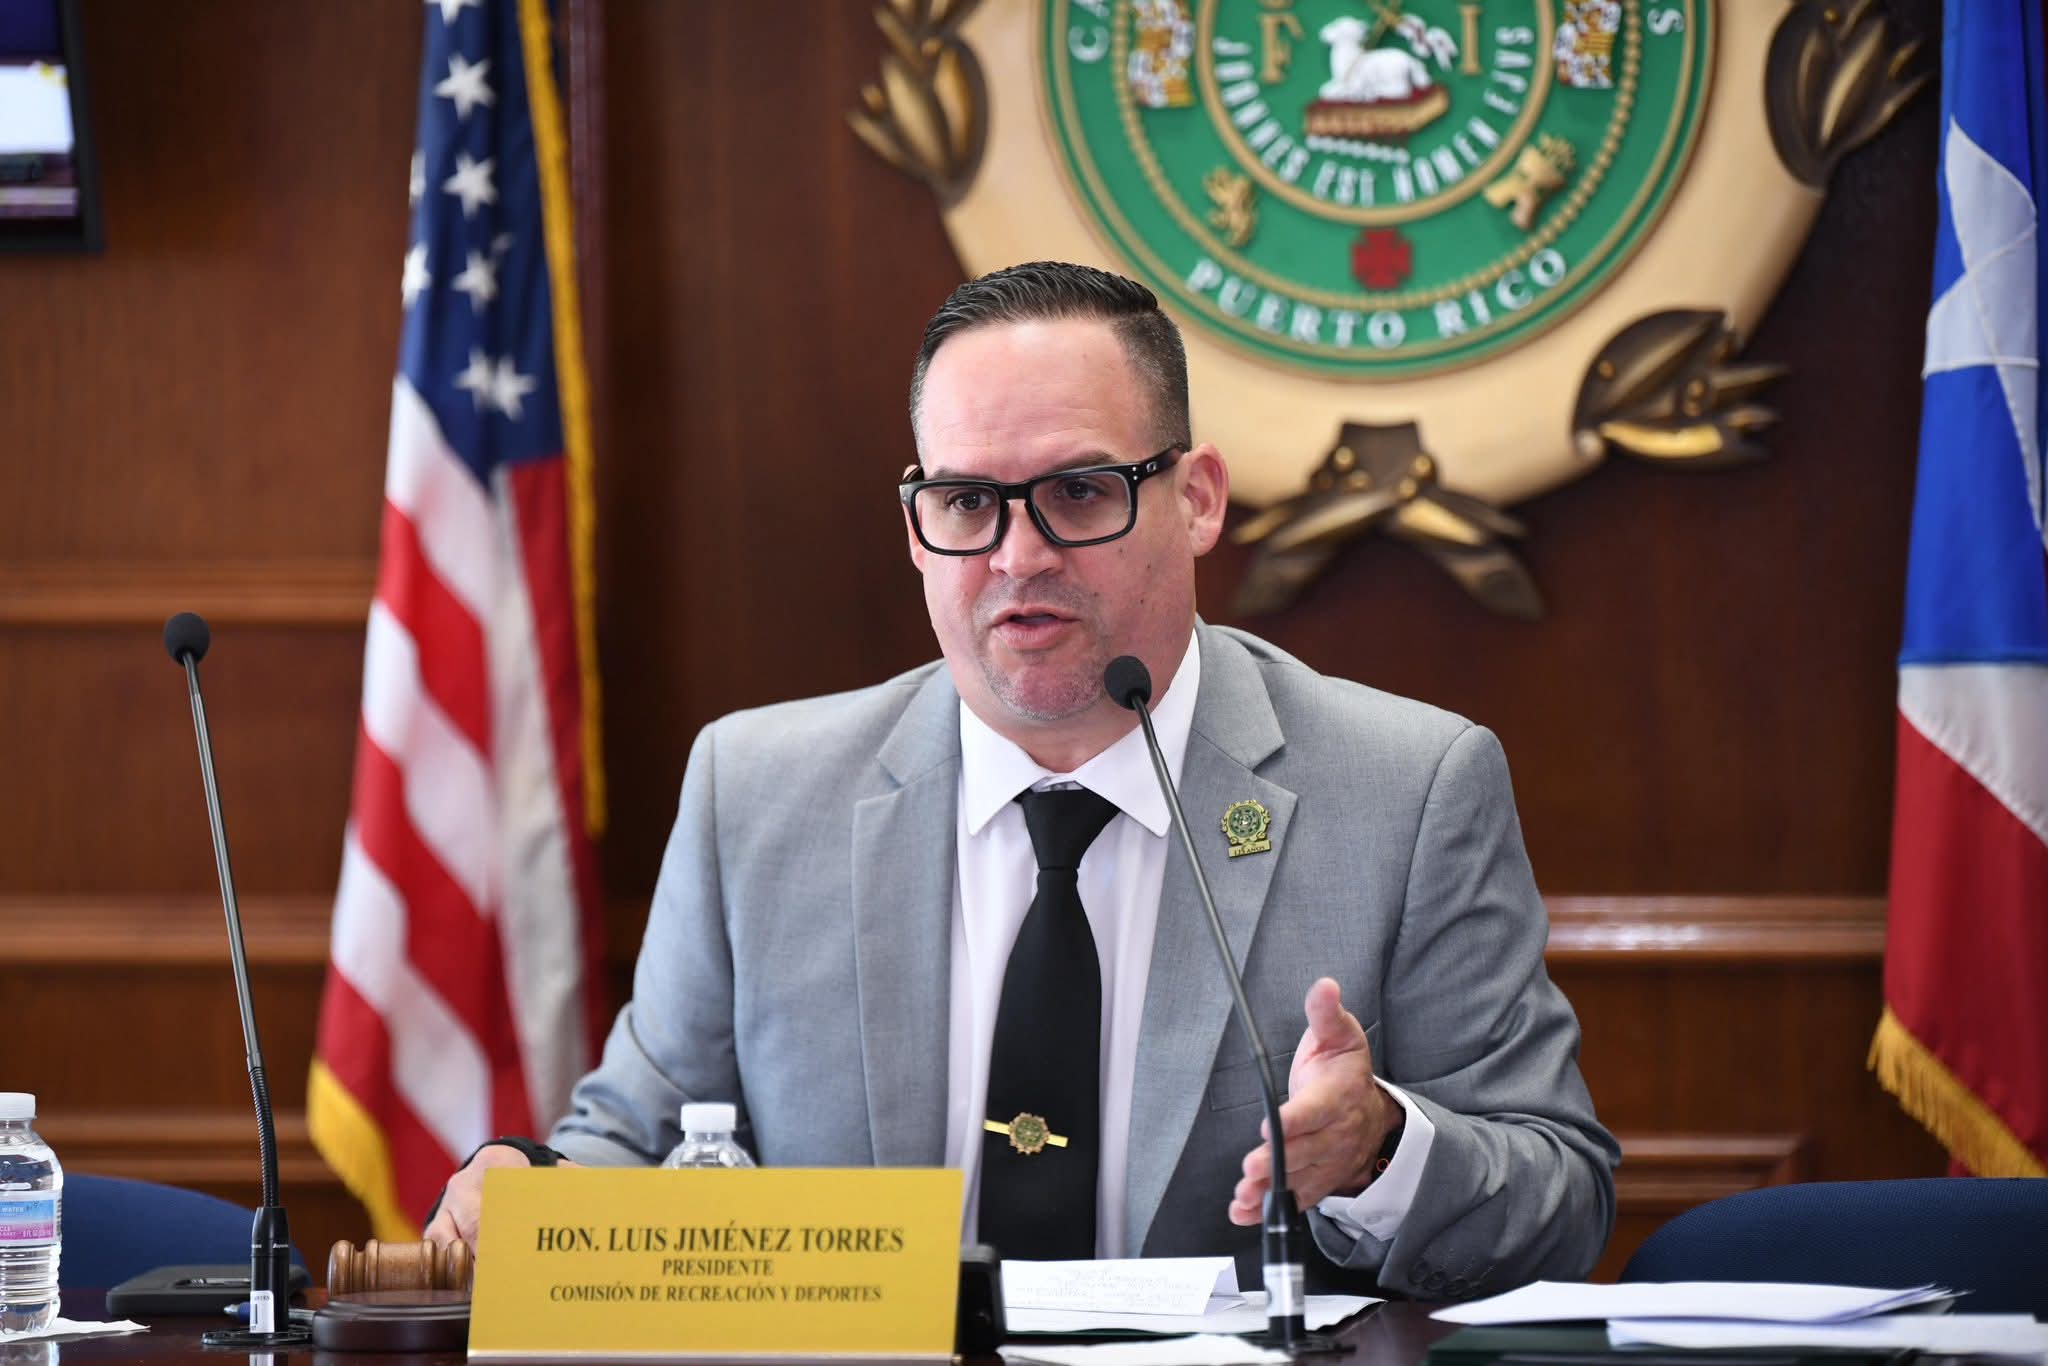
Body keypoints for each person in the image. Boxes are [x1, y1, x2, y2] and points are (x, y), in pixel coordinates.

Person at [425, 261, 1618, 1299]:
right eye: (966, 502)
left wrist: (1379, 1150)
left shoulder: (1405, 790)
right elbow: (638, 1141)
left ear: (1196, 499)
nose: (1017, 554)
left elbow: (1559, 1203)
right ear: (916, 525)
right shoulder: (759, 792)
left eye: (1079, 491)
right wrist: (525, 1185)